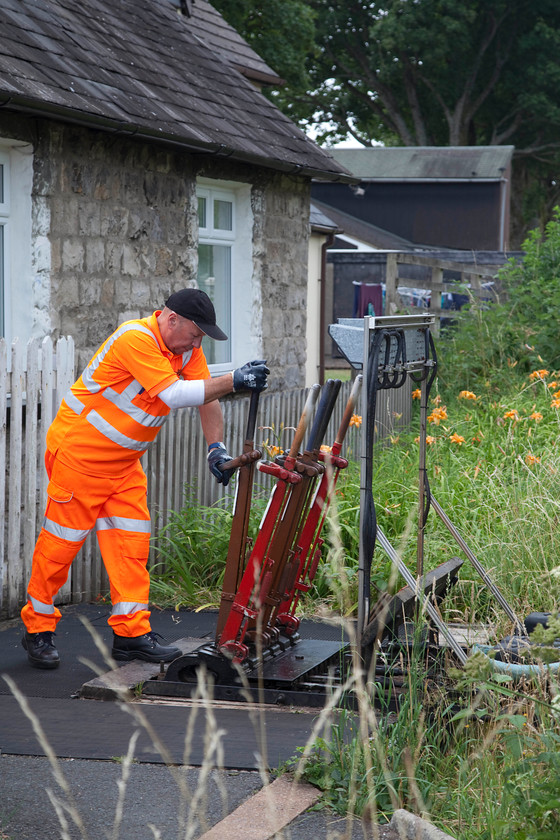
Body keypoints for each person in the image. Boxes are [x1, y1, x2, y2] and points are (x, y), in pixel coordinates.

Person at [21, 288, 269, 669]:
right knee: (60, 546)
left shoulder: (185, 350)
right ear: (171, 320)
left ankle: (131, 636)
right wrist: (234, 379)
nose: (197, 341)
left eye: (202, 336)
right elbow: (173, 394)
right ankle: (38, 629)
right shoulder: (134, 338)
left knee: (131, 546)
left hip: (123, 464)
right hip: (80, 456)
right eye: (195, 333)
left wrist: (215, 448)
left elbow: (206, 398)